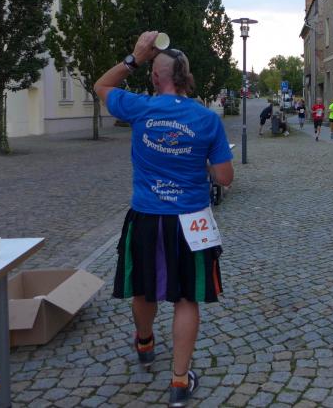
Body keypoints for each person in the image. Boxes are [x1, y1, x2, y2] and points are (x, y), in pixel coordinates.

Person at [95, 32, 234, 408]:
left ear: (156, 78)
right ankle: (178, 381)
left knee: (143, 288)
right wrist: (199, 161)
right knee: (187, 298)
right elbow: (224, 178)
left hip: (146, 217)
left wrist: (134, 57)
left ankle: (144, 343)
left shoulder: (139, 107)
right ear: (186, 77)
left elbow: (101, 86)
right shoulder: (206, 119)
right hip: (191, 221)